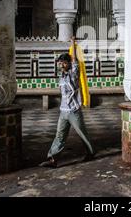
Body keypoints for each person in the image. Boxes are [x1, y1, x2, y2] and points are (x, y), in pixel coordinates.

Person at [39, 37, 95, 168]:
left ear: (69, 63)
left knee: (82, 133)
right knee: (60, 135)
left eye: (64, 63)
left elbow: (75, 60)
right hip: (63, 111)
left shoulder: (73, 74)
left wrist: (73, 43)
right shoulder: (62, 76)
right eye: (60, 63)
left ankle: (91, 153)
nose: (61, 65)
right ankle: (53, 159)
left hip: (74, 111)